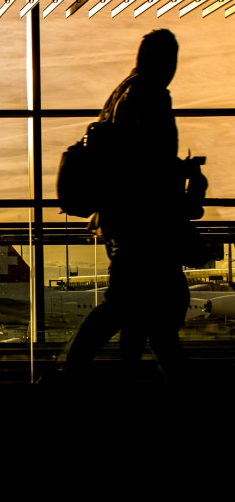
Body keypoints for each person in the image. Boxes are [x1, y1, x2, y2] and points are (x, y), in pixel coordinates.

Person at [60, 30, 197, 382]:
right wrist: (182, 174)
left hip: (120, 220)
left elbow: (128, 160)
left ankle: (87, 373)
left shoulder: (120, 94)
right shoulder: (151, 93)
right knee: (144, 311)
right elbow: (150, 163)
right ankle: (69, 373)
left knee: (136, 310)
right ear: (165, 60)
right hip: (145, 222)